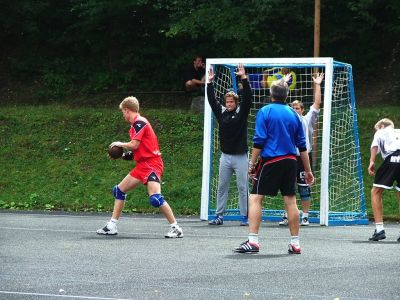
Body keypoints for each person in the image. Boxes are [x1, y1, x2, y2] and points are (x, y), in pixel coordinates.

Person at [233, 75, 314, 254]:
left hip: (272, 161)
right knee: (291, 201)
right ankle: (295, 243)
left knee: (255, 198)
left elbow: (259, 140)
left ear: (271, 95)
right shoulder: (294, 114)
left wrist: (251, 164)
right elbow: (302, 146)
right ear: (286, 96)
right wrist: (308, 170)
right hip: (292, 162)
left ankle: (253, 241)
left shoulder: (265, 111)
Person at [96, 96, 183, 238]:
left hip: (152, 164)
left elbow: (134, 144)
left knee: (155, 199)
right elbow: (136, 150)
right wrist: (122, 156)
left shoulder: (140, 122)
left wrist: (119, 144)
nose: (123, 115)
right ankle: (111, 226)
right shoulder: (135, 125)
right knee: (119, 190)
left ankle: (176, 228)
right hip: (142, 165)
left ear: (126, 110)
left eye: (123, 112)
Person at [207, 63, 251, 226]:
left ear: (236, 103)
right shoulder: (222, 113)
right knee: (222, 186)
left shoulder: (242, 112)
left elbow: (248, 98)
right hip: (225, 157)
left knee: (242, 187)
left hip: (240, 157)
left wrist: (243, 78)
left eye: (232, 101)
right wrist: (210, 83)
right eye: (228, 101)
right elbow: (212, 101)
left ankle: (245, 216)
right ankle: (219, 215)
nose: (230, 104)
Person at [279, 72, 324, 226]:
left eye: (298, 108)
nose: (295, 109)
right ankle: (288, 215)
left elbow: (317, 104)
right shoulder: (287, 118)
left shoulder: (307, 119)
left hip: (304, 157)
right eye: (293, 107)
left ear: (302, 110)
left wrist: (317, 84)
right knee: (288, 188)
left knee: (304, 188)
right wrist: (284, 83)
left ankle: (304, 216)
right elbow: (281, 101)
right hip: (290, 157)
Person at [367, 118, 400, 242]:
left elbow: (375, 145)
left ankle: (379, 230)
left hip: (392, 158)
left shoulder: (381, 131)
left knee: (376, 191)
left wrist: (371, 161)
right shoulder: (398, 132)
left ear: (381, 125)